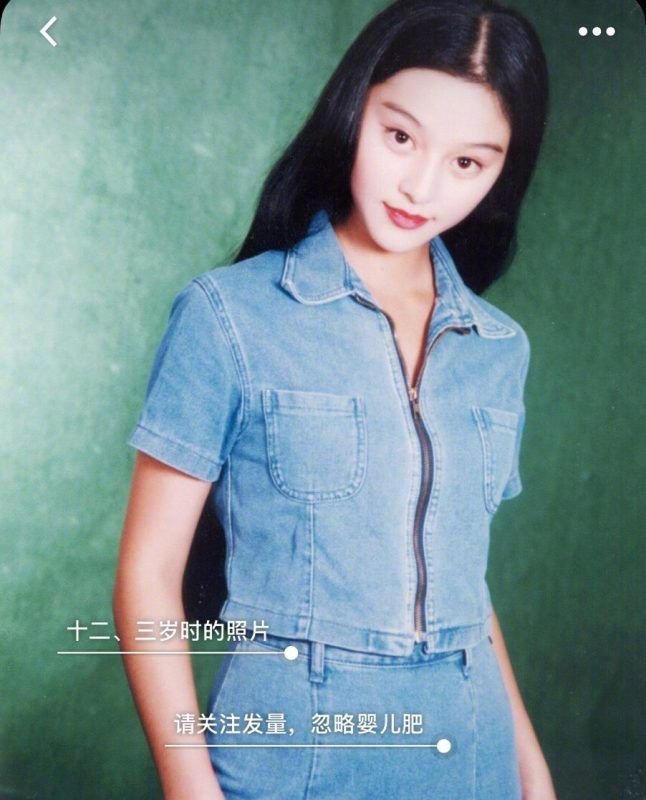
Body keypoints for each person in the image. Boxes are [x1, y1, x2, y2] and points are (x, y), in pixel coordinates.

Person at [113, 0, 557, 797]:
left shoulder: (499, 348)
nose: (422, 185)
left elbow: (459, 586)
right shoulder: (228, 315)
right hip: (295, 756)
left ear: (502, 173)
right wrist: (189, 788)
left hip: (475, 754)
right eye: (401, 136)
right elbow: (148, 575)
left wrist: (532, 772)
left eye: (468, 162)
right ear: (354, 108)